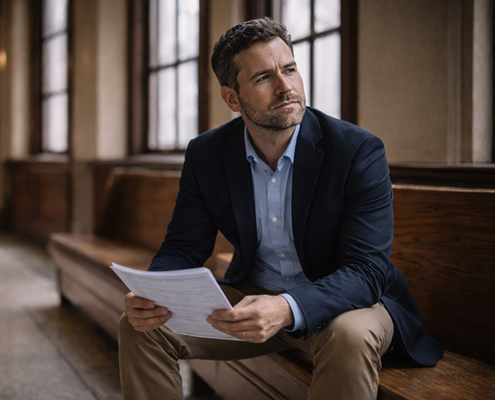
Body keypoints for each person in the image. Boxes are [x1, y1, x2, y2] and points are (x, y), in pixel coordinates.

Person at [118, 17, 443, 400]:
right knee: (140, 326)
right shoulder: (206, 155)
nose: (286, 87)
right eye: (263, 78)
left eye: (289, 69)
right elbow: (182, 248)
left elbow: (366, 271)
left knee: (351, 338)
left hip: (344, 304)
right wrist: (154, 293)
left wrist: (287, 307)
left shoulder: (356, 151)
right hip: (253, 297)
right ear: (232, 99)